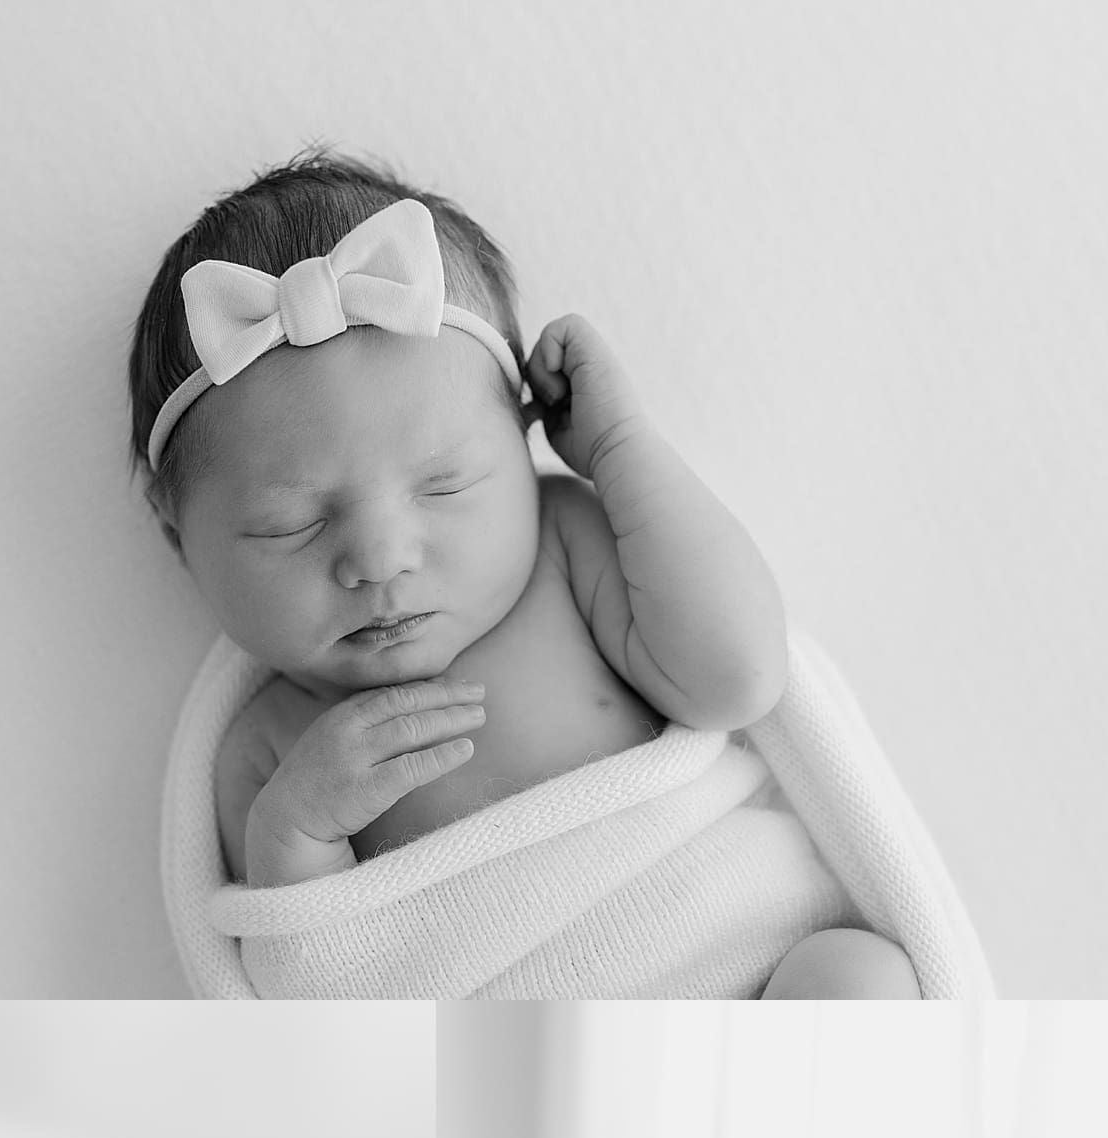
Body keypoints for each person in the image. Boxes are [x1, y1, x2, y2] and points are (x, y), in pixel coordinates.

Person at [128, 147, 920, 999]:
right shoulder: (268, 749)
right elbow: (312, 987)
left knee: (858, 977)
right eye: (294, 523)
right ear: (181, 545)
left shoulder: (568, 551)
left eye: (444, 484)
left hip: (737, 969)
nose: (382, 559)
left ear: (524, 438)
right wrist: (300, 830)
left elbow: (738, 676)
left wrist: (619, 451)